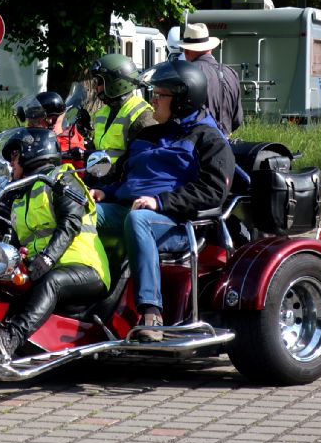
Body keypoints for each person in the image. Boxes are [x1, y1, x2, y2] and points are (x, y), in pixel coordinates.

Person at [92, 60, 235, 342]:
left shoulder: (209, 139)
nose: (152, 101)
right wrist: (106, 192)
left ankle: (151, 313)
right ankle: (83, 300)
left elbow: (212, 191)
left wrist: (160, 202)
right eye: (153, 94)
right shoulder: (148, 133)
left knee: (139, 220)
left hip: (178, 224)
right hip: (130, 209)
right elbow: (124, 175)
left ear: (182, 100)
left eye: (160, 95)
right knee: (82, 212)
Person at [0, 127, 110, 361]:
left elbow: (70, 224)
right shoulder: (21, 193)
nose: (11, 162)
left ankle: (11, 338)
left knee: (52, 282)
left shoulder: (62, 179)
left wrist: (47, 259)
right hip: (43, 267)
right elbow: (17, 238)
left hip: (85, 268)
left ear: (32, 152)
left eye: (14, 155)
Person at [178, 22, 243, 137]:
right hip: (224, 142)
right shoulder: (232, 73)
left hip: (196, 141)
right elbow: (237, 119)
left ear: (186, 51)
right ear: (210, 48)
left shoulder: (188, 73)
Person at [88, 54, 155, 163]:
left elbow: (145, 159)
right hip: (99, 171)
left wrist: (116, 170)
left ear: (116, 83)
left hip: (121, 173)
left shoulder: (141, 114)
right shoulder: (104, 112)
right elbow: (99, 147)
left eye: (100, 82)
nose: (96, 87)